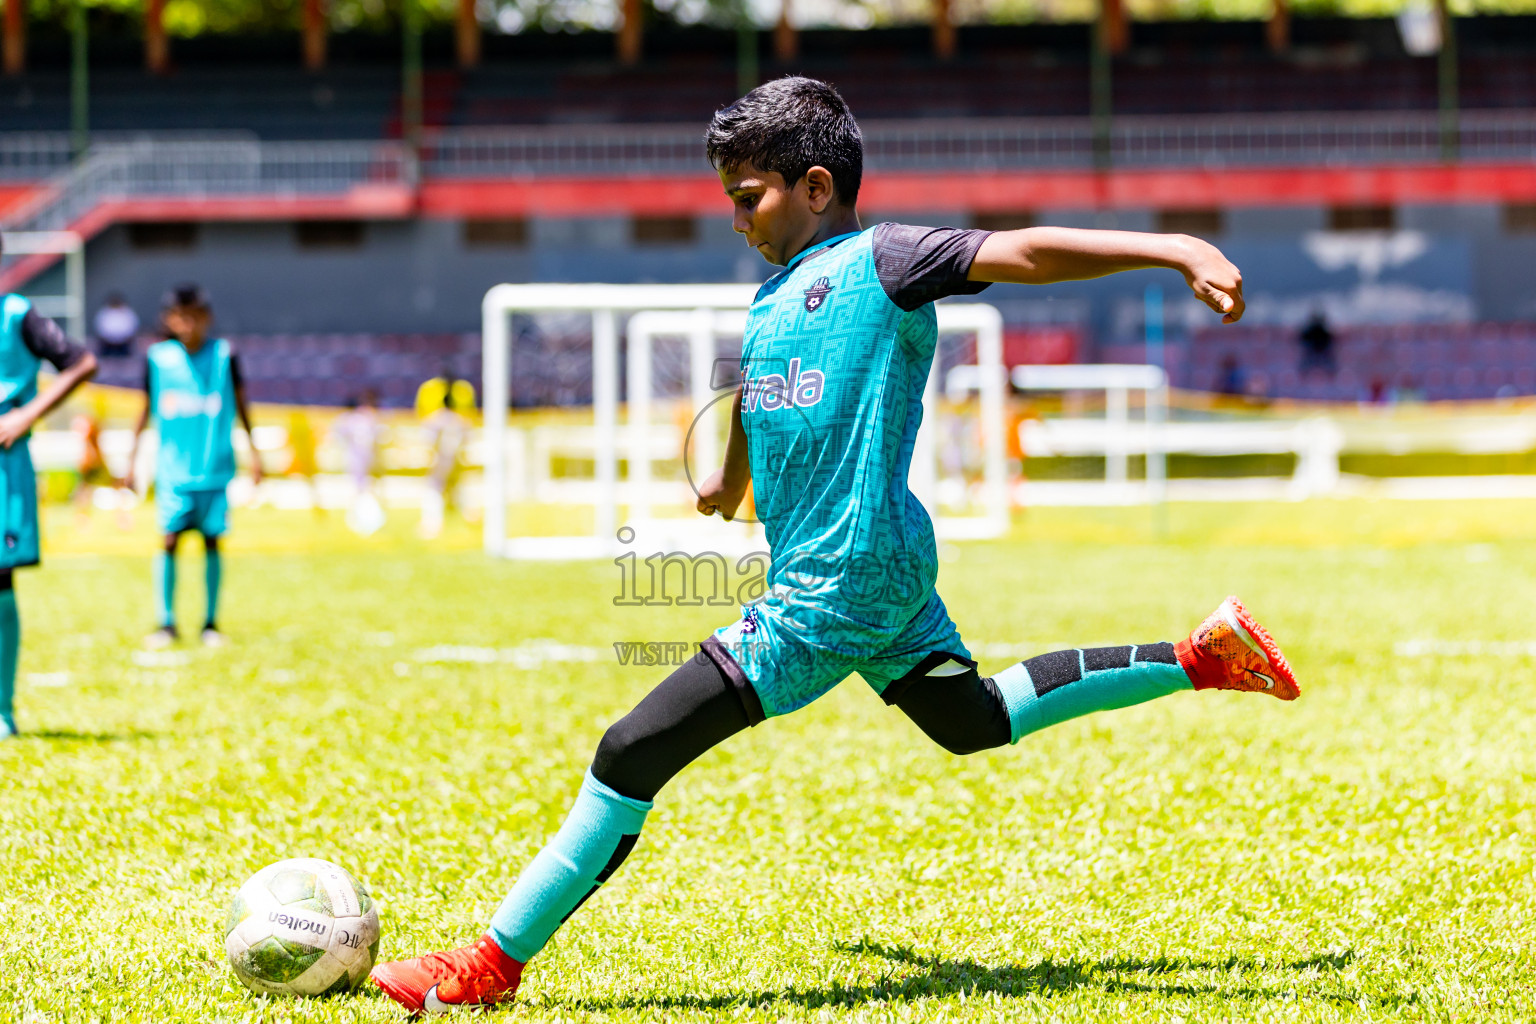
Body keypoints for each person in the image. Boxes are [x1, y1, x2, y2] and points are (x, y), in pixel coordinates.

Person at [369, 77, 1300, 1013]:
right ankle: (1199, 657)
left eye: (749, 196)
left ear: (816, 186)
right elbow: (739, 445)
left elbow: (1020, 248)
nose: (735, 219)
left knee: (628, 752)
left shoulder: (885, 261)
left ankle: (487, 965)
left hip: (831, 589)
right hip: (881, 569)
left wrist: (1173, 246)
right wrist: (721, 480)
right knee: (969, 721)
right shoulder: (769, 305)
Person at [124, 285, 262, 648]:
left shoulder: (224, 356)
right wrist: (131, 457)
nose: (187, 323)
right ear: (169, 319)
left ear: (207, 317)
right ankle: (166, 623)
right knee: (168, 542)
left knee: (213, 543)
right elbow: (144, 407)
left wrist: (255, 452)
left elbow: (243, 405)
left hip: (215, 469)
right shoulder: (158, 358)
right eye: (180, 316)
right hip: (173, 473)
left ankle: (210, 623)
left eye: (194, 315)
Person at [0, 237, 99, 738]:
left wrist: (25, 414)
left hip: (4, 467)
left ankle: (3, 710)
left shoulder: (17, 314)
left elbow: (82, 362)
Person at [331, 391, 386, 535]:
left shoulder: (355, 419)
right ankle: (361, 519)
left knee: (362, 489)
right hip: (361, 458)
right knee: (362, 489)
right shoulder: (364, 418)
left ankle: (367, 520)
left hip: (359, 458)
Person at [418, 389, 468, 539]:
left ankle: (433, 524)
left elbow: (428, 442)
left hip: (440, 460)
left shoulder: (434, 420)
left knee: (434, 490)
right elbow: (466, 441)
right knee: (455, 492)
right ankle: (461, 522)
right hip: (456, 461)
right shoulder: (461, 421)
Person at [93, 292, 139, 360]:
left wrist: (124, 338)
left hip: (124, 344)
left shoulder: (127, 312)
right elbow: (99, 327)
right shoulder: (104, 312)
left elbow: (133, 327)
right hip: (107, 345)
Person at [1299, 311, 1335, 378]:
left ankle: (1331, 375)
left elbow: (1331, 339)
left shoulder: (1325, 332)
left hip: (1323, 351)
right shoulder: (1309, 331)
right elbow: (1302, 338)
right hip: (1311, 352)